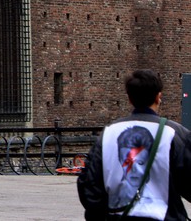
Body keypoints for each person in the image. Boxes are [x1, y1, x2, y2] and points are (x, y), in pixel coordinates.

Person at [77, 69, 191, 220]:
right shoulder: (175, 134)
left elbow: (89, 184)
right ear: (158, 97)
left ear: (130, 98)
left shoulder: (108, 134)